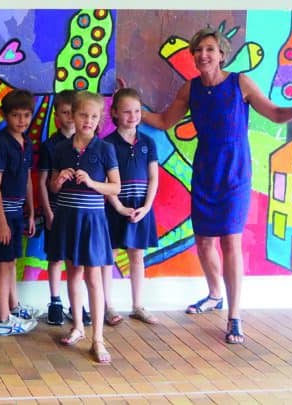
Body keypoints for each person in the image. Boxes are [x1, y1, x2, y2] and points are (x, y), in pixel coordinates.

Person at [138, 28, 292, 344]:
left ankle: (234, 316)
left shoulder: (240, 83)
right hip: (205, 171)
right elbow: (163, 122)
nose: (203, 54)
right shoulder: (190, 89)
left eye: (210, 49)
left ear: (221, 54)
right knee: (204, 242)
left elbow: (274, 114)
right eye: (198, 50)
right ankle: (215, 294)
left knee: (231, 240)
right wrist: (133, 107)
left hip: (235, 172)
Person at [49, 91, 121, 364]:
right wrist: (59, 180)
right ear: (72, 116)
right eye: (82, 115)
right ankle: (78, 326)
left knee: (93, 277)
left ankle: (98, 338)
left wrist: (91, 182)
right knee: (73, 272)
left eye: (93, 116)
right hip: (67, 218)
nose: (88, 121)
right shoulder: (60, 149)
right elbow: (52, 187)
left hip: (92, 220)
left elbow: (115, 187)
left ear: (100, 119)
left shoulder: (105, 149)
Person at [103, 88, 160, 326]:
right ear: (115, 113)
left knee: (137, 256)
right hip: (115, 208)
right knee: (110, 256)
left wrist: (146, 208)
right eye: (127, 112)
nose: (133, 116)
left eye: (137, 111)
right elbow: (106, 181)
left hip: (140, 208)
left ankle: (138, 306)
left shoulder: (148, 143)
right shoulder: (107, 144)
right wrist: (118, 207)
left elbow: (154, 178)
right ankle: (107, 306)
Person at [37, 90, 90, 326]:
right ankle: (55, 301)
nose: (69, 118)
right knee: (56, 256)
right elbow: (42, 181)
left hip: (79, 212)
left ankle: (77, 305)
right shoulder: (51, 146)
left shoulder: (88, 144)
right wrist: (48, 212)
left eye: (73, 112)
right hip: (57, 210)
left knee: (77, 259)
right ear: (57, 116)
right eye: (65, 113)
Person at [0, 89, 38, 337]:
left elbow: (28, 179)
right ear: (4, 115)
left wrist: (30, 212)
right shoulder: (1, 143)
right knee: (4, 264)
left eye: (26, 115)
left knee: (11, 263)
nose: (21, 120)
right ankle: (2, 319)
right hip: (4, 214)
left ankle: (13, 307)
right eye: (15, 115)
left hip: (18, 212)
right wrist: (1, 221)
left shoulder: (27, 143)